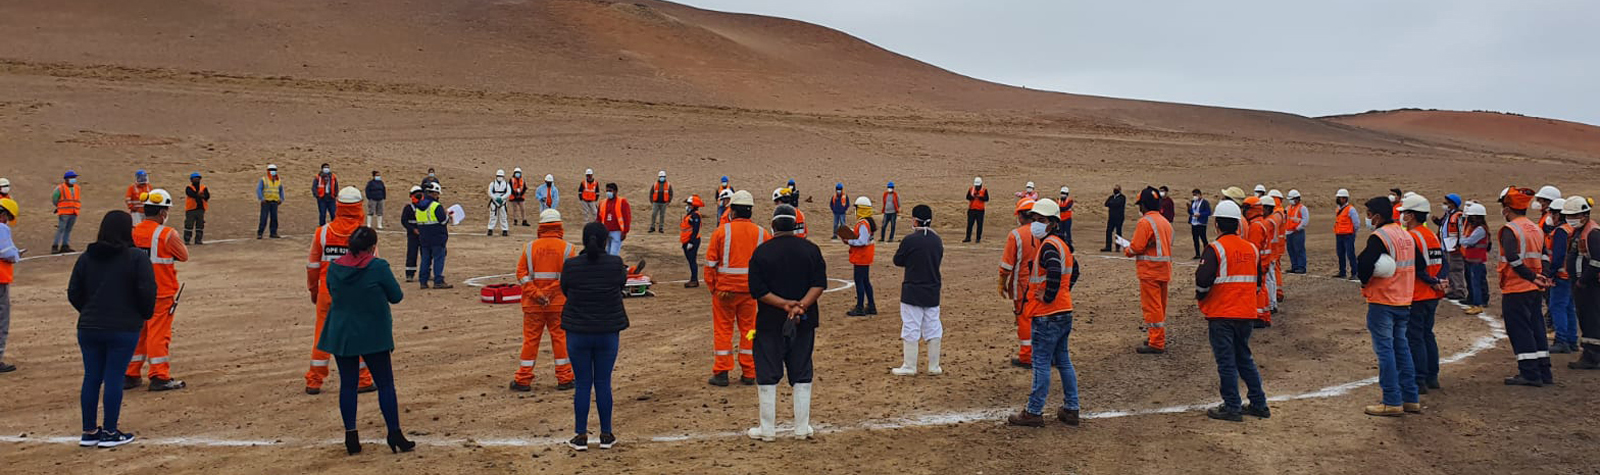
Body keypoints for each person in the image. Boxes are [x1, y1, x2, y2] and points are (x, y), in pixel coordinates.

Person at [315, 226, 414, 455]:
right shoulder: (378, 267)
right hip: (373, 333)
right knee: (385, 384)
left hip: (342, 333)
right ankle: (394, 433)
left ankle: (351, 436)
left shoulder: (335, 267)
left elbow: (331, 290)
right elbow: (396, 296)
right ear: (372, 247)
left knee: (348, 385)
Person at [68, 211, 155, 448]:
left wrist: (88, 311)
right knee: (114, 377)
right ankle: (109, 431)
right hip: (123, 327)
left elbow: (74, 291)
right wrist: (141, 314)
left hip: (89, 326)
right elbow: (147, 292)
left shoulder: (87, 256)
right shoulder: (136, 257)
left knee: (92, 377)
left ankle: (89, 431)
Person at [744, 204, 826, 442]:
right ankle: (801, 428)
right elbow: (819, 283)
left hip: (770, 321)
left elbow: (757, 290)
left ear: (773, 226)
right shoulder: (811, 250)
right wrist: (801, 305)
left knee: (768, 371)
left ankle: (767, 430)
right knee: (801, 369)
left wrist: (783, 305)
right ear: (795, 226)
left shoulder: (762, 252)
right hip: (804, 319)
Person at [1006, 199, 1082, 427]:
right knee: (1064, 360)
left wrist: (1048, 296)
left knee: (1041, 363)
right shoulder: (1062, 244)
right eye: (1034, 219)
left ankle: (1034, 411)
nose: (1035, 224)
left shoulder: (1048, 245)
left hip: (1047, 314)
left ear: (1052, 223)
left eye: (1040, 220)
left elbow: (1055, 272)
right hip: (1063, 311)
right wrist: (1061, 294)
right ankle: (1071, 408)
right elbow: (1074, 271)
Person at [1194, 200, 1270, 422]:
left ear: (1216, 224)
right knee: (1244, 358)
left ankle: (1232, 406)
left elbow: (1202, 280)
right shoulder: (1251, 249)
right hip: (1245, 314)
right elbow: (1258, 282)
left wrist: (1202, 297)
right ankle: (1259, 403)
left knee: (1226, 362)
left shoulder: (1215, 248)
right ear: (1238, 224)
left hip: (1222, 314)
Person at [560, 222, 630, 451]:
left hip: (578, 332)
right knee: (603, 382)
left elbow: (565, 290)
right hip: (607, 331)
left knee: (582, 384)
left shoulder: (571, 265)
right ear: (604, 241)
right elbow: (621, 283)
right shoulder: (615, 263)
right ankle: (606, 434)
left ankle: (580, 434)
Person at [1356, 196, 1424, 416]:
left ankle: (1391, 400)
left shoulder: (1380, 236)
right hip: (1404, 300)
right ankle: (1410, 398)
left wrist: (1366, 280)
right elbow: (1421, 264)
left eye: (1369, 214)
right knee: (1402, 349)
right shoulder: (1406, 234)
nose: (1368, 218)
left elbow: (1364, 264)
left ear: (1377, 215)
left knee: (1386, 351)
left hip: (1383, 300)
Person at [305, 187, 375, 395]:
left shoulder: (323, 232)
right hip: (357, 294)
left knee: (322, 335)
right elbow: (374, 266)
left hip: (328, 291)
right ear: (359, 207)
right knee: (360, 335)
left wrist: (313, 291)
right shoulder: (365, 235)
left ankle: (314, 381)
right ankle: (363, 380)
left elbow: (312, 266)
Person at [122, 189, 190, 392]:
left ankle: (130, 373)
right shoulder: (167, 234)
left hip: (134, 292)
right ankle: (159, 375)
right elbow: (183, 255)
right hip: (161, 293)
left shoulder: (133, 231)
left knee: (138, 333)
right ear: (162, 213)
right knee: (158, 335)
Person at [512, 210, 579, 392]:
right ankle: (565, 378)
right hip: (558, 304)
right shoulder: (568, 249)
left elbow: (521, 274)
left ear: (541, 226)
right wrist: (548, 293)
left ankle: (523, 379)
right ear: (559, 226)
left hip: (533, 305)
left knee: (530, 341)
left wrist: (537, 294)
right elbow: (568, 276)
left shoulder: (529, 248)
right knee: (560, 339)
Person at [705, 190, 766, 387]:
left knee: (723, 331)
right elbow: (768, 264)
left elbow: (710, 264)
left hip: (725, 293)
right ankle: (750, 371)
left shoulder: (721, 232)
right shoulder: (761, 233)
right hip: (750, 293)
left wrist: (713, 288)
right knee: (750, 331)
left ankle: (722, 372)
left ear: (732, 210)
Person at [1496, 186, 1554, 387]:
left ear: (1507, 209)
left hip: (1517, 287)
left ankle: (1529, 373)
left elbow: (1512, 257)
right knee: (1536, 326)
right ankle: (1544, 370)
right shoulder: (1535, 228)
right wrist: (1543, 276)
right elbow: (1545, 255)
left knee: (1520, 329)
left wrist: (1531, 277)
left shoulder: (1511, 229)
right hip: (1534, 288)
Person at [1402, 195, 1447, 393]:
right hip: (1432, 294)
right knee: (1427, 334)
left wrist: (1432, 281)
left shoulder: (1412, 237)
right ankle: (1431, 376)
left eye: (1405, 213)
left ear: (1411, 215)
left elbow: (1418, 269)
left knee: (1415, 337)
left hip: (1418, 293)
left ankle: (1419, 379)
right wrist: (1439, 282)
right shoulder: (1431, 235)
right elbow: (1442, 262)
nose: (1403, 216)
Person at [890, 205, 942, 376]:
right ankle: (934, 366)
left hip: (912, 289)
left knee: (911, 326)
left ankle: (910, 365)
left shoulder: (910, 240)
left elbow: (898, 260)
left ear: (915, 220)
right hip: (932, 288)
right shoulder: (937, 240)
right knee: (933, 326)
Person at [1126, 187, 1173, 354]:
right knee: (1160, 306)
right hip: (1164, 271)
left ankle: (1156, 342)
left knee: (1152, 307)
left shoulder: (1145, 222)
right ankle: (1156, 336)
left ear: (1144, 205)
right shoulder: (1165, 222)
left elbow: (1136, 246)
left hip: (1150, 271)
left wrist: (1128, 250)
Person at [1000, 198, 1039, 368]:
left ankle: (1027, 356)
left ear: (1021, 216)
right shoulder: (1046, 232)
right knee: (1042, 320)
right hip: (1043, 286)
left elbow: (1007, 266)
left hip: (1023, 285)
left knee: (1024, 320)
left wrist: (1001, 283)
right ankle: (1045, 354)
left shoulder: (1016, 235)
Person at [1564, 195, 1600, 370]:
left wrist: (1583, 281)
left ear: (1584, 215)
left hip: (1590, 286)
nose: (1570, 220)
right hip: (1583, 284)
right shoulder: (1580, 231)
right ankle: (1590, 354)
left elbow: (1596, 262)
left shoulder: (1592, 233)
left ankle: (1592, 357)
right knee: (1586, 319)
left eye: (1574, 216)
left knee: (1591, 320)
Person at [1546, 198, 1580, 354]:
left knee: (1557, 307)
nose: (1551, 217)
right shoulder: (1572, 229)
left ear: (1558, 215)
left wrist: (1550, 274)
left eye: (1552, 213)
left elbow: (1558, 256)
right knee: (1569, 308)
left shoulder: (1560, 231)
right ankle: (1572, 340)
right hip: (1572, 275)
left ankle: (1561, 340)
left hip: (1561, 275)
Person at [844, 197, 878, 316]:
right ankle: (871, 306)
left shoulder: (863, 223)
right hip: (865, 256)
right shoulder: (868, 222)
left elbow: (862, 241)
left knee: (860, 282)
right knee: (865, 281)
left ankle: (860, 307)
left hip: (861, 257)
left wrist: (849, 241)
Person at [415, 183, 453, 289]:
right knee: (438, 258)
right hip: (437, 236)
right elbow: (443, 221)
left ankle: (423, 281)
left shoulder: (419, 206)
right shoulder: (436, 206)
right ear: (435, 193)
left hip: (424, 237)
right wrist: (447, 216)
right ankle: (438, 281)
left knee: (425, 259)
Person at [1244, 197, 1275, 326]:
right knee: (1262, 288)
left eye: (1246, 208)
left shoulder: (1255, 227)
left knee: (1258, 289)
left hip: (1259, 263)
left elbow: (1253, 248)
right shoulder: (1261, 222)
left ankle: (1260, 316)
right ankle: (1264, 315)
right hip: (1263, 261)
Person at [1461, 202, 1491, 315]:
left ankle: (1477, 304)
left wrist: (1462, 240)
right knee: (1476, 282)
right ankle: (1478, 302)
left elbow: (1469, 241)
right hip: (1473, 259)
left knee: (1476, 283)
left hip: (1476, 261)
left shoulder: (1480, 230)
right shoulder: (1477, 228)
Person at [1435, 194, 1467, 299]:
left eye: (1447, 203)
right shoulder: (1448, 214)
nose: (1445, 205)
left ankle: (1459, 291)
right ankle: (1453, 289)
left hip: (1454, 247)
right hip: (1447, 246)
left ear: (1453, 204)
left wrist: (1459, 244)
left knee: (1456, 269)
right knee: (1449, 269)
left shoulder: (1459, 216)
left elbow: (1461, 231)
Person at [0, 198, 19, 373]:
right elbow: (7, 253)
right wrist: (16, 254)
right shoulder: (2, 229)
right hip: (1, 278)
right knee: (1, 320)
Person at [53, 170, 83, 254]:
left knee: (68, 229)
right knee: (61, 229)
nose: (74, 179)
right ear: (66, 179)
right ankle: (55, 246)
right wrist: (59, 206)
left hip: (74, 211)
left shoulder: (77, 188)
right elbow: (55, 199)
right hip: (64, 212)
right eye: (72, 178)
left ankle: (65, 245)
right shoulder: (60, 188)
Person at [1333, 188, 1360, 280]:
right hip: (1339, 234)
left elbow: (1356, 223)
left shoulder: (1351, 209)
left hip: (1348, 235)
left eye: (1339, 198)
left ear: (1344, 198)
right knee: (1340, 253)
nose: (1338, 199)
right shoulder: (1338, 209)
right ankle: (1342, 272)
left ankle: (1355, 273)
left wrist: (1353, 232)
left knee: (1350, 254)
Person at [598, 183, 631, 256]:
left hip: (617, 232)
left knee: (613, 254)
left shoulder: (622, 202)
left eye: (610, 191)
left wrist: (625, 231)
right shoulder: (602, 203)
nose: (608, 193)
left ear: (615, 191)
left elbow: (626, 217)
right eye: (607, 191)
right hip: (606, 232)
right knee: (607, 253)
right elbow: (599, 218)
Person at [400, 186, 423, 283]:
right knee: (411, 254)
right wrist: (412, 229)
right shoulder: (408, 208)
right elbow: (404, 221)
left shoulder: (425, 207)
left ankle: (426, 273)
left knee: (426, 254)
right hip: (412, 235)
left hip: (423, 234)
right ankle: (410, 274)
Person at [681, 195, 704, 288]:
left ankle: (694, 280)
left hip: (692, 241)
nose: (687, 206)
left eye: (689, 204)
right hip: (687, 241)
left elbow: (695, 230)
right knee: (691, 260)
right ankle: (693, 279)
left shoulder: (695, 215)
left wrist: (691, 242)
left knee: (692, 261)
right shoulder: (690, 214)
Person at [1285, 190, 1310, 273]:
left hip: (1297, 232)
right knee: (1291, 250)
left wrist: (1298, 228)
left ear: (1297, 199)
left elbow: (1305, 220)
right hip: (1289, 232)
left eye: (1292, 199)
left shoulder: (1302, 208)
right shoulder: (1288, 208)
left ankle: (1301, 267)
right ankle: (1294, 266)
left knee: (1299, 250)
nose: (1291, 201)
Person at [257, 164, 284, 239]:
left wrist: (281, 199)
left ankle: (273, 233)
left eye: (275, 170)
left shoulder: (278, 180)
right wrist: (261, 198)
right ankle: (260, 233)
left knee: (274, 218)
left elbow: (281, 190)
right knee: (263, 218)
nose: (273, 171)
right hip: (266, 202)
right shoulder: (263, 180)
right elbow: (259, 189)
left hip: (275, 201)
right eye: (271, 170)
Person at [183, 173, 210, 245]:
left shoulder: (203, 187)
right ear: (191, 180)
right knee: (189, 225)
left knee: (200, 225)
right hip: (191, 209)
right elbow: (191, 194)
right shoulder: (189, 187)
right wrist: (200, 195)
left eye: (198, 178)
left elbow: (207, 196)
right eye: (195, 178)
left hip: (201, 209)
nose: (196, 179)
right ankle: (187, 240)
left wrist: (201, 195)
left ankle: (198, 240)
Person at [487, 170, 512, 237]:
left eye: (500, 176)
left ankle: (505, 230)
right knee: (492, 216)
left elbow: (509, 192)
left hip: (502, 202)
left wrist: (502, 198)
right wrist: (495, 198)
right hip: (494, 202)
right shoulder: (492, 184)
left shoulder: (506, 184)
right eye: (498, 176)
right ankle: (490, 229)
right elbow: (489, 192)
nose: (499, 177)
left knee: (503, 217)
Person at [1188, 189, 1212, 260]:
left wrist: (1200, 214)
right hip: (1194, 223)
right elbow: (1191, 212)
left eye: (1196, 195)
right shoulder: (1193, 202)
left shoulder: (1205, 202)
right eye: (1194, 195)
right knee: (1195, 239)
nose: (1195, 196)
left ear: (1200, 195)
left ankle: (1207, 254)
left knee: (1203, 239)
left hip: (1201, 223)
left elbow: (1208, 212)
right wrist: (1189, 209)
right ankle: (1197, 254)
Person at [1101, 185, 1126, 252]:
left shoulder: (1122, 197)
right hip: (1111, 217)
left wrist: (1112, 203)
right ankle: (1108, 247)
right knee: (1108, 231)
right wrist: (1112, 203)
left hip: (1119, 218)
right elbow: (1106, 203)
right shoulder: (1112, 197)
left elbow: (1117, 204)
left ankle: (1118, 247)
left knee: (1118, 232)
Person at [965, 177, 989, 243]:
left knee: (979, 225)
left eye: (978, 186)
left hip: (980, 210)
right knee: (970, 224)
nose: (977, 187)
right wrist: (972, 197)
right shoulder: (971, 189)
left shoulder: (984, 190)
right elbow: (967, 197)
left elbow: (987, 198)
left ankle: (978, 238)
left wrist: (981, 197)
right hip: (972, 209)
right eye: (976, 186)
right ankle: (968, 237)